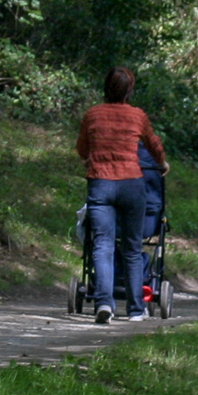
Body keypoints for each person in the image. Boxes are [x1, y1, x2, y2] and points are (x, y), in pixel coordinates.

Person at [75, 67, 167, 324]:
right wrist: (162, 164)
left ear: (105, 87)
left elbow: (82, 147)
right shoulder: (137, 116)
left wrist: (88, 159)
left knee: (103, 244)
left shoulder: (93, 114)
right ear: (129, 91)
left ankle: (104, 302)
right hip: (131, 184)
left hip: (101, 183)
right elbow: (154, 144)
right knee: (132, 247)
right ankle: (136, 309)